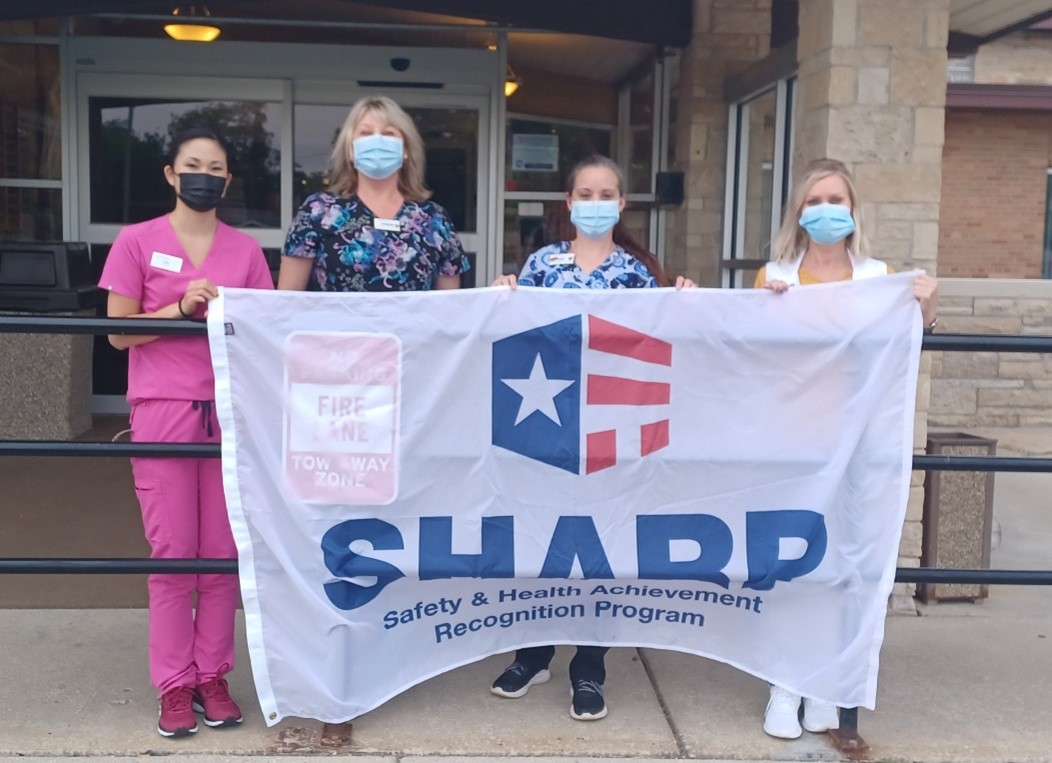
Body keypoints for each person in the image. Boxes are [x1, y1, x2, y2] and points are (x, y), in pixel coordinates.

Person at [491, 155, 695, 721]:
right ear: (569, 201)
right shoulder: (541, 264)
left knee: (601, 545)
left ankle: (590, 662)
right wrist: (506, 293)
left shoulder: (635, 271)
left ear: (622, 203)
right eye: (586, 192)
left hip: (611, 428)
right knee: (543, 538)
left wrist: (682, 300)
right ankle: (533, 653)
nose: (596, 201)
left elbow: (659, 341)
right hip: (547, 427)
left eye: (607, 192)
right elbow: (512, 334)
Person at [99, 127, 275, 738]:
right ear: (172, 175)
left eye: (216, 167)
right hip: (164, 410)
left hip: (229, 411)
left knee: (223, 557)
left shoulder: (246, 252)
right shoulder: (136, 241)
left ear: (227, 180)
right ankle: (174, 685)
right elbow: (119, 333)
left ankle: (213, 675)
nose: (205, 175)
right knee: (174, 553)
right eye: (192, 165)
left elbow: (265, 333)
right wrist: (178, 310)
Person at [754, 157, 938, 740]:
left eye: (836, 200)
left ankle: (828, 684)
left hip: (858, 441)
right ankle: (783, 684)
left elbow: (908, 338)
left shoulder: (879, 277)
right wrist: (768, 307)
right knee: (792, 559)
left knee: (847, 561)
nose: (825, 211)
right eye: (814, 201)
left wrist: (926, 306)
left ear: (853, 210)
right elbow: (747, 355)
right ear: (798, 212)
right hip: (794, 439)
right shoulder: (774, 274)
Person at [278, 95, 468, 291]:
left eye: (388, 133)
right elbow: (288, 301)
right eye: (366, 133)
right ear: (350, 149)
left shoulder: (434, 219)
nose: (377, 140)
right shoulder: (318, 212)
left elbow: (450, 308)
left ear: (406, 149)